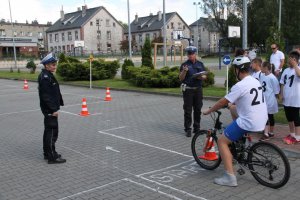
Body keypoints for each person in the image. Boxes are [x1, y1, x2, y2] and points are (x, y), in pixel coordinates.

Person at [203, 56, 268, 186]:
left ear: (238, 70)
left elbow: (223, 101)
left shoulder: (240, 85)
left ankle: (230, 177)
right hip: (262, 118)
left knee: (222, 141)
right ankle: (239, 140)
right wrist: (231, 106)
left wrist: (209, 111)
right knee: (232, 108)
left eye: (234, 69)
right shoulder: (255, 81)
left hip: (249, 121)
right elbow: (237, 102)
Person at [38, 53, 66, 164]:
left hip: (50, 109)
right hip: (50, 110)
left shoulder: (47, 74)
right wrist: (53, 109)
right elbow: (46, 96)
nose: (55, 66)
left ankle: (47, 153)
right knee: (52, 133)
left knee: (48, 131)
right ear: (46, 65)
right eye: (52, 64)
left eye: (55, 64)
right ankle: (52, 157)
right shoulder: (45, 77)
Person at [179, 46, 206, 137]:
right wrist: (184, 71)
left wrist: (201, 77)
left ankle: (197, 128)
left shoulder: (200, 64)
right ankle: (188, 129)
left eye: (192, 54)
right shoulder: (184, 65)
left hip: (198, 90)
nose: (190, 55)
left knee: (198, 109)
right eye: (189, 54)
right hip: (188, 90)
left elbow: (205, 76)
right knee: (188, 110)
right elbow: (181, 78)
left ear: (195, 54)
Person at [279, 50, 300, 144]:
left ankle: (298, 137)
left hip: (295, 98)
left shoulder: (298, 68)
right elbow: (282, 83)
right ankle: (292, 134)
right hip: (287, 98)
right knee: (289, 118)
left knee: (296, 118)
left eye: (290, 59)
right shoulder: (286, 70)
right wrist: (281, 94)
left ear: (295, 60)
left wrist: (295, 64)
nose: (288, 61)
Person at [259, 61, 280, 141]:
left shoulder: (272, 78)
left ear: (266, 68)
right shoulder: (262, 76)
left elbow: (276, 91)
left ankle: (269, 133)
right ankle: (266, 132)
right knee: (265, 116)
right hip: (263, 99)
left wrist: (276, 99)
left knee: (269, 116)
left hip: (270, 100)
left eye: (262, 67)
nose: (261, 68)